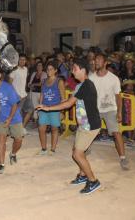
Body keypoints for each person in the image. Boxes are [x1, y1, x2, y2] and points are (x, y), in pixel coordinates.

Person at [36, 59, 102, 195]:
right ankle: (83, 175)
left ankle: (93, 181)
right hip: (85, 124)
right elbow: (68, 101)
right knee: (78, 151)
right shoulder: (80, 85)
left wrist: (48, 108)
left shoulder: (86, 86)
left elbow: (67, 104)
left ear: (83, 70)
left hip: (90, 125)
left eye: (75, 69)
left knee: (77, 154)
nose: (73, 71)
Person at [90, 53, 129, 170]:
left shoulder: (113, 78)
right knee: (89, 131)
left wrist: (119, 112)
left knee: (116, 133)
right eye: (95, 60)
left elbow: (118, 96)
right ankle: (85, 149)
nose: (96, 62)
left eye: (99, 60)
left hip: (110, 109)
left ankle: (123, 158)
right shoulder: (91, 77)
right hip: (96, 109)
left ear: (106, 62)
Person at [0, 70, 25, 174]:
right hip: (0, 119)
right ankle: (1, 164)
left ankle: (13, 154)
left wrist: (10, 119)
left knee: (18, 139)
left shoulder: (7, 87)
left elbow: (15, 104)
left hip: (14, 117)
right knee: (1, 140)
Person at [37, 61, 65, 155]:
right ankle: (44, 149)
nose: (49, 71)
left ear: (55, 70)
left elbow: (63, 98)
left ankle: (52, 149)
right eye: (47, 69)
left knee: (54, 129)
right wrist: (39, 107)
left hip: (55, 108)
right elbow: (42, 94)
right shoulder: (44, 81)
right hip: (44, 108)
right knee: (41, 128)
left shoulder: (59, 81)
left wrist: (62, 111)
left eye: (51, 69)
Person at [24, 61, 47, 127]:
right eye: (38, 65)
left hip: (41, 93)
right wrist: (29, 85)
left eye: (40, 65)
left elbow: (41, 83)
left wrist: (33, 84)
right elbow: (29, 83)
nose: (39, 67)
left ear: (43, 67)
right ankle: (36, 121)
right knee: (35, 107)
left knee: (41, 107)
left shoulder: (44, 74)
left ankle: (41, 121)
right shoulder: (34, 73)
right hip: (33, 92)